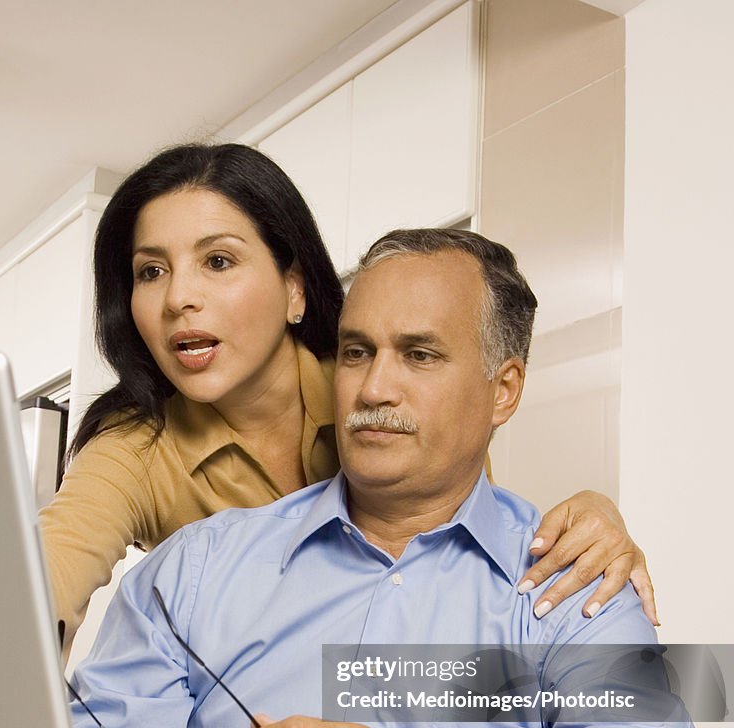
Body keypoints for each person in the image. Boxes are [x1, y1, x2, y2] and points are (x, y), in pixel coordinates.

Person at [68, 228, 710, 728]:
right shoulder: (192, 571)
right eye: (355, 352)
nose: (373, 390)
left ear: (504, 390)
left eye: (420, 355)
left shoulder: (572, 577)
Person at [39, 144, 655, 655]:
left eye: (218, 260)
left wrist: (594, 516)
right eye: (151, 271)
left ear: (295, 289)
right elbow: (43, 586)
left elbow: (474, 549)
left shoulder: (381, 387)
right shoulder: (134, 454)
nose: (178, 299)